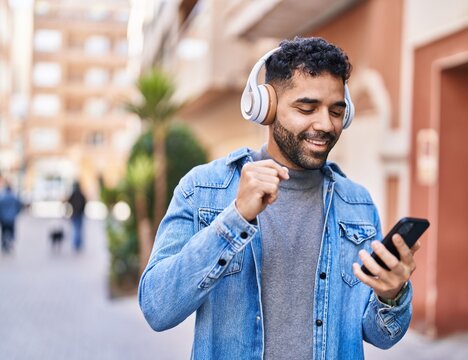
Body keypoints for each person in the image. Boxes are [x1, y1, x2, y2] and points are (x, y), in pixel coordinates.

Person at [139, 37, 420, 359]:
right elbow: (157, 309)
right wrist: (235, 218)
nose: (325, 124)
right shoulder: (204, 188)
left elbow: (379, 337)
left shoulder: (357, 203)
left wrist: (391, 294)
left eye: (336, 110)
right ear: (265, 107)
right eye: (307, 108)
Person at [0, 183, 22, 254]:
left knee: (4, 231)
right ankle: (11, 241)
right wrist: (16, 213)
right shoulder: (14, 197)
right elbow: (19, 206)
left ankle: (4, 243)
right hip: (12, 217)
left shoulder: (2, 197)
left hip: (3, 218)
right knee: (12, 231)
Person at [67, 181, 86, 252]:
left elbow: (68, 201)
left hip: (76, 214)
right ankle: (78, 244)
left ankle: (76, 244)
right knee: (78, 229)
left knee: (76, 229)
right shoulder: (80, 194)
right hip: (79, 214)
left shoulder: (74, 194)